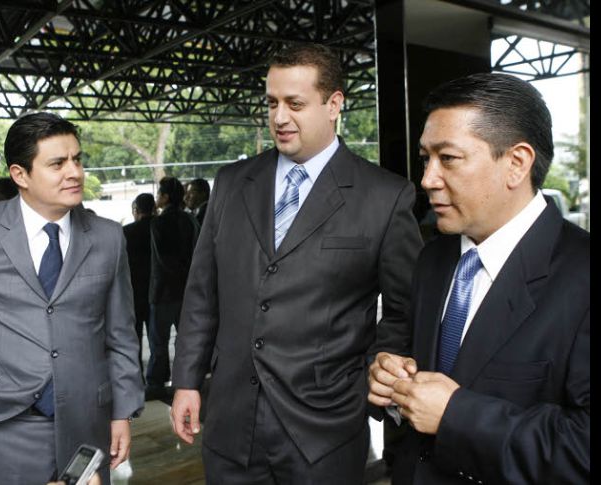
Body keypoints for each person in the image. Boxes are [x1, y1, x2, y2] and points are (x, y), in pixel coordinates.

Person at [170, 43, 422, 483]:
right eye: (272, 103)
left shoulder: (384, 196)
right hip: (231, 424)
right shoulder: (231, 183)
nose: (280, 117)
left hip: (325, 433)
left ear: (334, 105)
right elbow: (201, 293)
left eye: (295, 104)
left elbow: (406, 310)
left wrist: (370, 376)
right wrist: (187, 381)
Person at [368, 72, 590, 484]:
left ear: (517, 163)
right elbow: (406, 350)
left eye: (448, 158)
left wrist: (456, 416)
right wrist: (387, 374)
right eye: (426, 158)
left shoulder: (581, 275)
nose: (427, 179)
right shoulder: (432, 259)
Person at [0, 112, 144, 485]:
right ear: (20, 175)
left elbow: (121, 333)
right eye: (57, 163)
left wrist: (122, 412)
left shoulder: (107, 236)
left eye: (77, 159)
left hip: (88, 423)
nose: (75, 172)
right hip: (4, 423)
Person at [146, 177, 199, 399]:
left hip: (163, 292)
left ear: (166, 197)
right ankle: (183, 380)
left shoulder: (158, 223)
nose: (157, 198)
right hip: (187, 290)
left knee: (158, 341)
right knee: (185, 340)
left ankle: (156, 383)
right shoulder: (190, 220)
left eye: (159, 194)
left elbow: (163, 260)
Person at [123, 193, 156, 380]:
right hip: (156, 291)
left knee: (133, 338)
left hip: (133, 293)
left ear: (135, 210)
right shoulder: (160, 228)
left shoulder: (126, 232)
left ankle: (137, 377)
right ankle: (158, 377)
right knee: (157, 340)